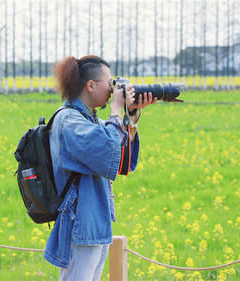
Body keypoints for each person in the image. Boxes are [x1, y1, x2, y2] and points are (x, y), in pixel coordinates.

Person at [43, 55, 156, 281]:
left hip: (95, 222)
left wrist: (131, 115)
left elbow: (121, 159)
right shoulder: (69, 120)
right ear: (91, 85)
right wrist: (115, 109)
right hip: (80, 223)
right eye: (110, 83)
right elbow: (106, 150)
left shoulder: (90, 120)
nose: (113, 89)